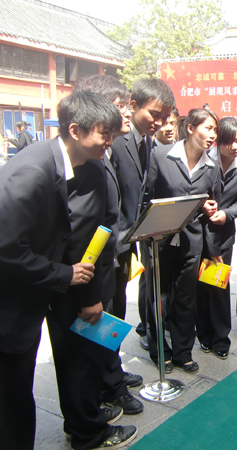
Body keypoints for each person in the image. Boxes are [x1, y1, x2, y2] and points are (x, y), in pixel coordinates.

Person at [0, 91, 137, 450]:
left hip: (58, 284)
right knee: (13, 391)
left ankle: (86, 430)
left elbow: (94, 233)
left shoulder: (91, 165)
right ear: (75, 130)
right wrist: (63, 274)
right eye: (104, 133)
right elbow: (7, 247)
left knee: (77, 360)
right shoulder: (31, 172)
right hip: (16, 294)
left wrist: (87, 292)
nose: (109, 142)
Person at [75, 74, 144, 415]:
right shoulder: (88, 155)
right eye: (119, 106)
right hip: (96, 259)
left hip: (119, 248)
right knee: (99, 322)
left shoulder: (117, 145)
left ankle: (112, 372)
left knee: (114, 316)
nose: (126, 112)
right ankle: (109, 386)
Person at [143, 108, 222, 373]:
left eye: (215, 130)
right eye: (208, 128)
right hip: (159, 239)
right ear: (190, 128)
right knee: (159, 297)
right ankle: (159, 350)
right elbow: (147, 196)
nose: (212, 135)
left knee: (186, 298)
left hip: (191, 242)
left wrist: (207, 212)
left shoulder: (211, 167)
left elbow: (211, 206)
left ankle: (182, 351)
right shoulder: (161, 156)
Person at [110, 78, 175, 353]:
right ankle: (107, 372)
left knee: (117, 308)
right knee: (107, 309)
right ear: (133, 105)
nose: (159, 123)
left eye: (165, 117)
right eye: (154, 114)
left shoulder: (148, 143)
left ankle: (112, 369)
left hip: (131, 240)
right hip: (111, 243)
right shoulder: (114, 141)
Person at [197, 118, 237, 359]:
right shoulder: (204, 162)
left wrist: (227, 214)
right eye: (229, 142)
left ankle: (221, 338)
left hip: (223, 236)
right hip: (200, 234)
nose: (235, 146)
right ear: (218, 142)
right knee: (202, 286)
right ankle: (203, 335)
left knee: (219, 286)